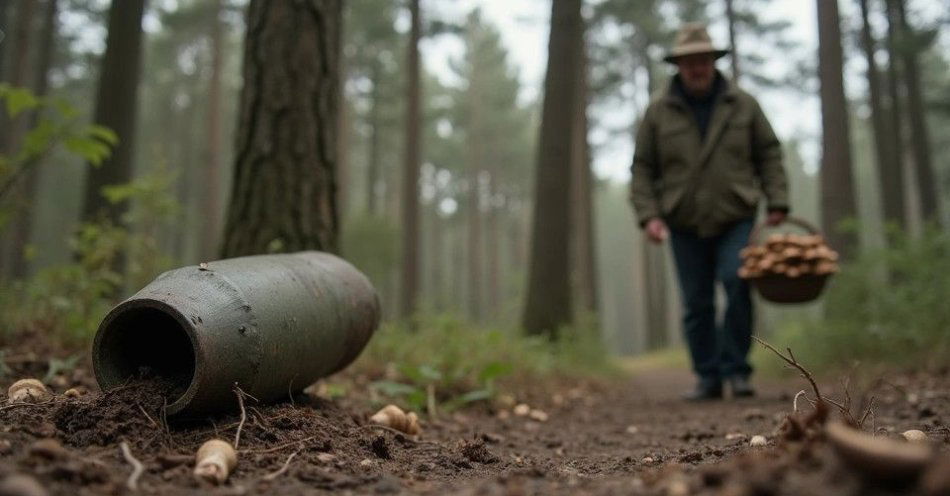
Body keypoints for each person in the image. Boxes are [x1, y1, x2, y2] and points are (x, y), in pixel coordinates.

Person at [629, 23, 789, 400]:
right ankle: (708, 376)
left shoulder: (743, 104)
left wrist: (778, 200)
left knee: (736, 281)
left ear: (712, 61)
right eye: (688, 62)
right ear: (678, 65)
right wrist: (648, 215)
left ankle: (737, 370)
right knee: (696, 302)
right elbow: (642, 168)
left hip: (736, 214)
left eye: (702, 60)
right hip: (682, 219)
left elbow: (768, 152)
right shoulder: (658, 111)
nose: (696, 68)